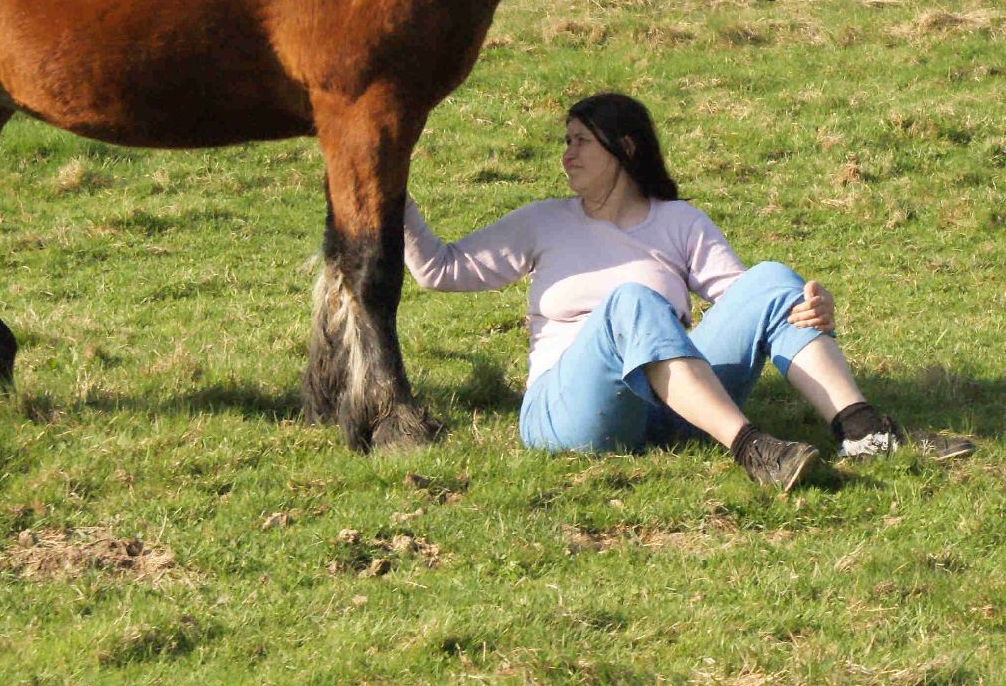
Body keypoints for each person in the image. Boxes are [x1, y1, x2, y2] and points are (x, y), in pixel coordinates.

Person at [403, 92, 975, 491]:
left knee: (773, 279)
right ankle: (751, 448)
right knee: (631, 302)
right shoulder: (543, 220)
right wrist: (387, 189)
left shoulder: (679, 222)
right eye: (566, 141)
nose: (566, 155)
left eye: (581, 142)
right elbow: (439, 269)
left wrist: (805, 309)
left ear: (625, 148)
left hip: (666, 413)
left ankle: (864, 431)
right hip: (569, 414)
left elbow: (748, 299)